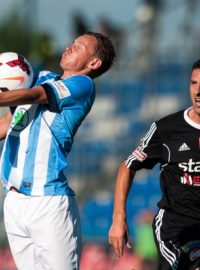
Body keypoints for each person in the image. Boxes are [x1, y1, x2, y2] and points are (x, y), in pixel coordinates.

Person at [0, 31, 116, 270]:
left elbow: (36, 95)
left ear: (94, 63)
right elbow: (5, 125)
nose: (70, 47)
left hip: (48, 203)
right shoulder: (40, 76)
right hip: (13, 202)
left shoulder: (83, 85)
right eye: (73, 42)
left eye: (80, 46)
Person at [108, 59, 200, 270]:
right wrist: (118, 218)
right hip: (174, 229)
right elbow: (128, 166)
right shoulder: (166, 129)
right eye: (193, 83)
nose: (198, 91)